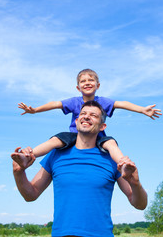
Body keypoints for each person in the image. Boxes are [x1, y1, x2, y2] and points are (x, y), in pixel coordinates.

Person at [12, 100, 147, 237]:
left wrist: (135, 184)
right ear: (76, 121)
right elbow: (31, 195)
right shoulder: (55, 154)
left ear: (102, 126)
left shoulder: (112, 159)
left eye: (93, 115)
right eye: (83, 113)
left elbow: (140, 204)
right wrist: (19, 173)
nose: (87, 116)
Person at [15, 69, 162, 170]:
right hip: (75, 136)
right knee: (55, 140)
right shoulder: (74, 102)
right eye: (83, 81)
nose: (87, 82)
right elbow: (55, 104)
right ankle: (27, 156)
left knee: (111, 143)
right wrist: (35, 110)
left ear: (97, 85)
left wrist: (142, 109)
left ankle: (123, 164)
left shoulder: (103, 101)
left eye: (91, 80)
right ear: (78, 87)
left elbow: (122, 104)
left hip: (97, 137)